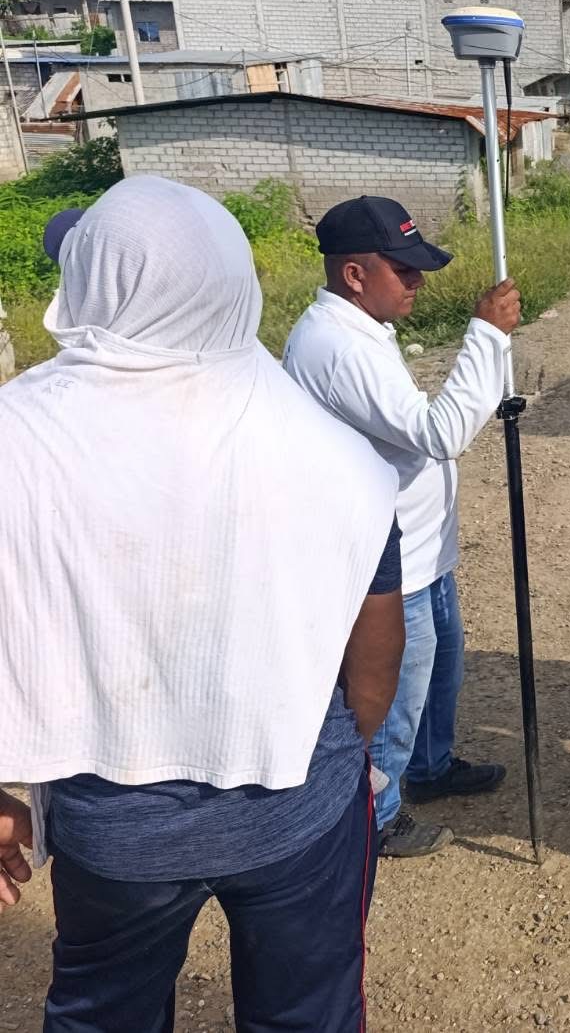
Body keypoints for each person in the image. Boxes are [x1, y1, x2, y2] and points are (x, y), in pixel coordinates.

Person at [0, 175, 404, 1030]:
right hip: (296, 799)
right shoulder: (334, 452)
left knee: (103, 1015)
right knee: (307, 1014)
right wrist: (339, 748)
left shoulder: (17, 436)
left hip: (114, 822)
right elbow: (374, 663)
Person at [283, 196, 519, 858]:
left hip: (423, 551)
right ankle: (378, 816)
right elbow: (440, 433)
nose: (417, 281)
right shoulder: (337, 346)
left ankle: (431, 767)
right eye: (403, 270)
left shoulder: (363, 328)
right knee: (392, 694)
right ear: (354, 274)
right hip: (386, 563)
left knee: (442, 670)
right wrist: (486, 336)